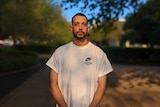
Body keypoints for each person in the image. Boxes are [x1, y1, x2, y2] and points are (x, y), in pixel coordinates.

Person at [46, 13, 113, 107]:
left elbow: (101, 87)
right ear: (71, 28)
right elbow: (53, 85)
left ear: (88, 29)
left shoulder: (99, 54)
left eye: (84, 24)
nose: (80, 27)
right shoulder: (59, 52)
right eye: (76, 24)